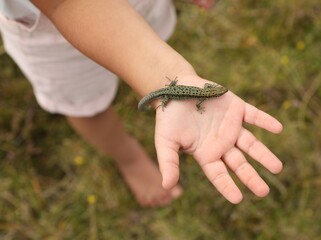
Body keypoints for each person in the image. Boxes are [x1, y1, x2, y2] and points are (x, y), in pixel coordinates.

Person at [0, 0, 283, 207]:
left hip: (141, 8)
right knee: (85, 104)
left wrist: (166, 77)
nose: (217, 91)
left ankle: (145, 86)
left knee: (153, 44)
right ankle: (130, 159)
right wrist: (165, 80)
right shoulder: (205, 95)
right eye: (217, 91)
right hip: (50, 31)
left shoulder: (207, 93)